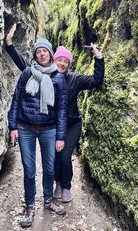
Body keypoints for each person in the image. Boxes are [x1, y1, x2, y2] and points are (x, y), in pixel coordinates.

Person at [6, 23, 104, 204]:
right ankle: (55, 186)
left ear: (68, 64)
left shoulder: (74, 79)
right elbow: (22, 65)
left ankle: (64, 186)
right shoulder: (40, 74)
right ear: (53, 59)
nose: (61, 63)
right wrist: (10, 45)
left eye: (65, 61)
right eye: (59, 60)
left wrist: (98, 57)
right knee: (52, 159)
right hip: (49, 125)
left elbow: (97, 80)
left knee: (64, 156)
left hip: (70, 122)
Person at [8, 37, 67, 228]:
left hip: (49, 130)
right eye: (38, 51)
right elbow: (16, 99)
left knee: (49, 169)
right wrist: (13, 127)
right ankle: (30, 205)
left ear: (50, 54)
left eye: (45, 51)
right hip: (25, 128)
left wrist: (60, 136)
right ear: (35, 55)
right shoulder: (27, 73)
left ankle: (48, 200)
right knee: (29, 171)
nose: (42, 54)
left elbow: (61, 110)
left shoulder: (58, 77)